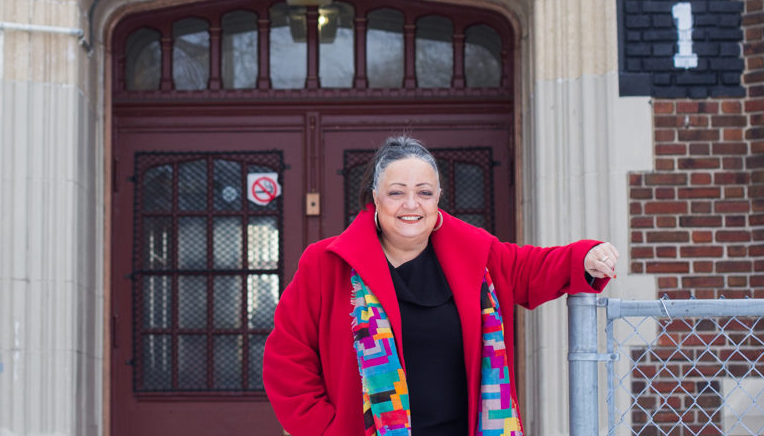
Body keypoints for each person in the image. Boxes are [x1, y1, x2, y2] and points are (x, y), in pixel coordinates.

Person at [263, 136, 619, 436]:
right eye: (396, 193)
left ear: (438, 197)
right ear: (375, 197)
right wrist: (327, 430)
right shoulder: (326, 264)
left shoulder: (477, 253)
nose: (411, 205)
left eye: (424, 192)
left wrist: (586, 257)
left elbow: (532, 268)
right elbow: (286, 360)